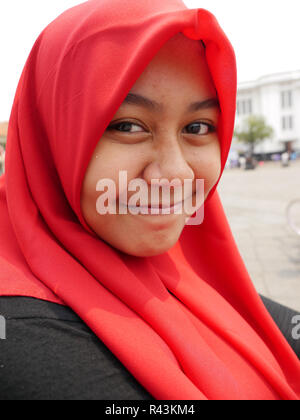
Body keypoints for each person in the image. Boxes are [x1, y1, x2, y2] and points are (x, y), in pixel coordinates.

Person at [0, 0, 300, 401]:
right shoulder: (27, 334)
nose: (176, 174)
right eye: (127, 126)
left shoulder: (174, 261)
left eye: (197, 127)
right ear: (52, 137)